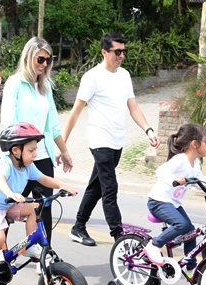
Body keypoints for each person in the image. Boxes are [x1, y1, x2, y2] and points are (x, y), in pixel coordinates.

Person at [61, 31, 161, 246]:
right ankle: (119, 236)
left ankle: (78, 227)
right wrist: (63, 145)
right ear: (104, 52)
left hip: (117, 141)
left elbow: (133, 107)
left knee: (96, 186)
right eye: (117, 52)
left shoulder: (124, 76)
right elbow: (75, 112)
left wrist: (148, 130)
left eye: (124, 51)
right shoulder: (92, 77)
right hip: (99, 140)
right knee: (110, 188)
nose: (122, 56)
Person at [0, 123, 77, 285]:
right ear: (16, 151)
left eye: (36, 150)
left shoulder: (27, 166)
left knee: (36, 207)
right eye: (31, 151)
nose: (35, 154)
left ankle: (30, 246)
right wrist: (9, 193)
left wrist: (62, 185)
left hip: (7, 205)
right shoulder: (5, 164)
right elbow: (0, 179)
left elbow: (43, 179)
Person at [0, 37, 73, 244]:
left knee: (45, 208)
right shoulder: (14, 83)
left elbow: (53, 125)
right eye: (40, 59)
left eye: (48, 60)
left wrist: (64, 152)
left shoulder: (45, 86)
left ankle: (43, 254)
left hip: (42, 157)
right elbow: (8, 124)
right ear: (28, 56)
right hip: (19, 159)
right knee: (8, 209)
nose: (44, 64)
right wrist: (18, 153)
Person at [143, 124, 206, 267]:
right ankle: (154, 245)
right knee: (181, 225)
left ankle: (190, 266)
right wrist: (173, 180)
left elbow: (200, 183)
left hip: (173, 203)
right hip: (159, 201)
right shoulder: (180, 159)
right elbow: (161, 171)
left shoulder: (196, 163)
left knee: (190, 231)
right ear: (194, 144)